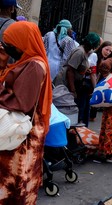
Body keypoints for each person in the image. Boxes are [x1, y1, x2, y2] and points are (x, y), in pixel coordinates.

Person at [0, 21, 52, 204]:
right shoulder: (26, 62)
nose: (7, 47)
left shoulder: (34, 66)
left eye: (10, 44)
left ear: (22, 42)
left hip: (23, 134)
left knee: (18, 181)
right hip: (19, 130)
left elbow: (22, 102)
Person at [54, 32, 100, 126]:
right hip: (64, 82)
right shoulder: (80, 52)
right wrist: (73, 90)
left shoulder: (84, 52)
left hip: (70, 81)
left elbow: (77, 68)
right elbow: (70, 70)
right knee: (61, 106)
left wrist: (84, 71)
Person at [89, 41, 112, 121]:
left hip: (97, 82)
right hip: (89, 82)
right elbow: (92, 73)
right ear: (102, 47)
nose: (108, 52)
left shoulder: (106, 60)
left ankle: (92, 116)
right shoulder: (95, 56)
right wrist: (95, 86)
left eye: (110, 51)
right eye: (106, 49)